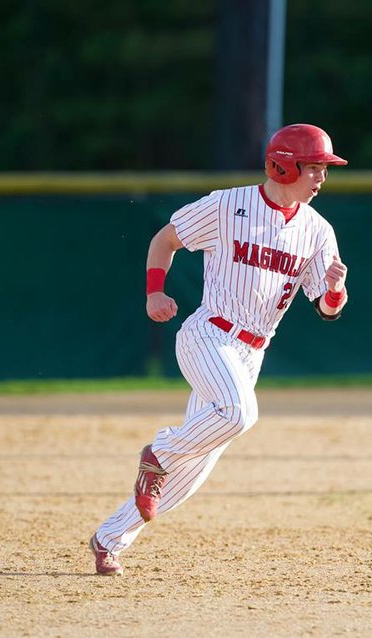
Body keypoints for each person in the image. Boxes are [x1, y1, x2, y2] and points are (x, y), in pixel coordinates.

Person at [89, 123, 349, 575]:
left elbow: (326, 310)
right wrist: (154, 292)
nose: (322, 178)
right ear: (284, 165)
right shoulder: (228, 204)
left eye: (325, 169)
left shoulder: (318, 231)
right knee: (239, 414)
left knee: (189, 476)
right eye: (316, 168)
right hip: (209, 334)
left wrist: (335, 292)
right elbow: (164, 240)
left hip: (252, 355)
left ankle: (108, 538)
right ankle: (160, 452)